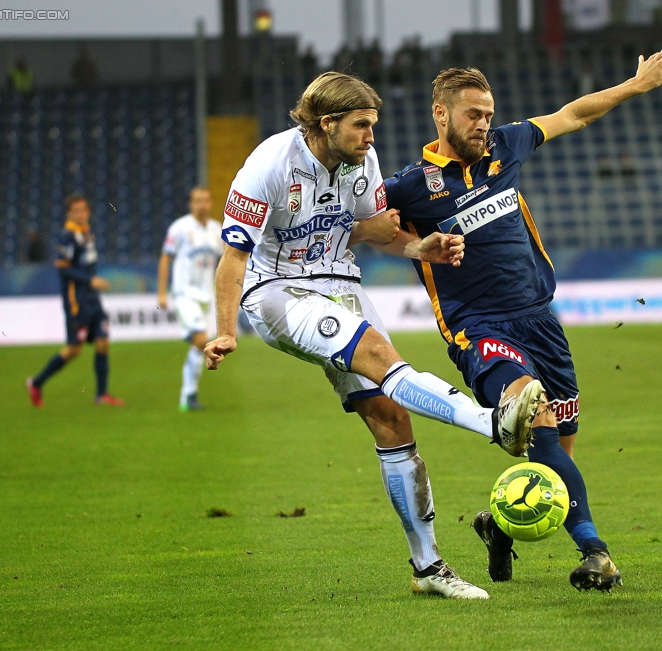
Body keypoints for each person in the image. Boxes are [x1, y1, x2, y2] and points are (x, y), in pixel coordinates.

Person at [203, 72, 545, 600]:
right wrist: (226, 331)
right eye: (361, 126)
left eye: (373, 126)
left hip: (342, 284)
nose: (371, 137)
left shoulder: (363, 163)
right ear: (326, 123)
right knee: (380, 356)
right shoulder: (268, 165)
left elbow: (367, 230)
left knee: (392, 418)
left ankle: (428, 569)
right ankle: (492, 424)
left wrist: (418, 249)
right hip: (278, 292)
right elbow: (234, 256)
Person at [381, 49, 662, 592]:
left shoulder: (507, 146)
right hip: (480, 329)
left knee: (555, 453)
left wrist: (634, 86)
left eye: (489, 113)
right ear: (440, 115)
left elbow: (573, 114)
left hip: (541, 321)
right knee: (534, 417)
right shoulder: (408, 186)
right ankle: (596, 552)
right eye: (473, 114)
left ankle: (499, 525)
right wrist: (418, 245)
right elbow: (365, 228)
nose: (484, 123)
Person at [27, 195, 124, 406]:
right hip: (76, 301)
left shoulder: (86, 233)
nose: (81, 214)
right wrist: (91, 280)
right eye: (76, 210)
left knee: (103, 342)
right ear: (69, 213)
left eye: (84, 210)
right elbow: (63, 268)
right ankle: (36, 383)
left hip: (93, 300)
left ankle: (101, 394)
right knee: (74, 349)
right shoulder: (67, 237)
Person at [157, 187, 223, 410]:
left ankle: (189, 396)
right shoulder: (180, 228)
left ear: (211, 202)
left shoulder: (217, 229)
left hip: (207, 296)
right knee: (201, 340)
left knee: (201, 344)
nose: (201, 204)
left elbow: (226, 262)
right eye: (197, 201)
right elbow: (166, 259)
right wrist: (162, 293)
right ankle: (188, 395)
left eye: (205, 200)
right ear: (190, 204)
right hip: (185, 293)